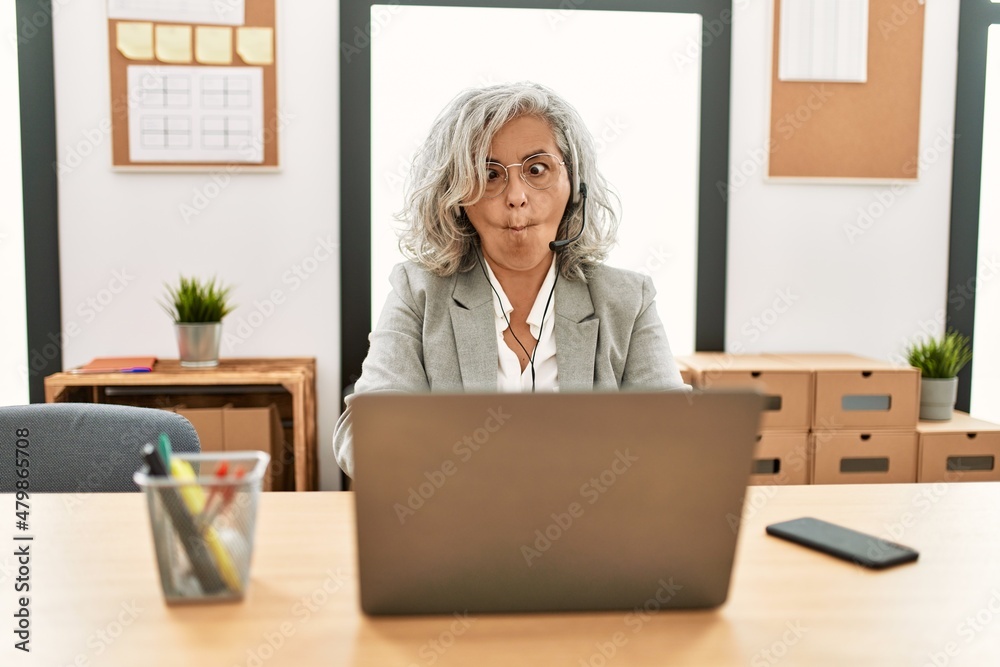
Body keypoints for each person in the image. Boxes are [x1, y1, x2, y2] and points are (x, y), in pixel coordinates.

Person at [334, 82, 686, 477]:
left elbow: (676, 436)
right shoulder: (418, 293)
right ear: (456, 194)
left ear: (575, 186)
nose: (516, 195)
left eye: (537, 169)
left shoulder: (627, 299)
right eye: (489, 174)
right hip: (456, 525)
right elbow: (360, 436)